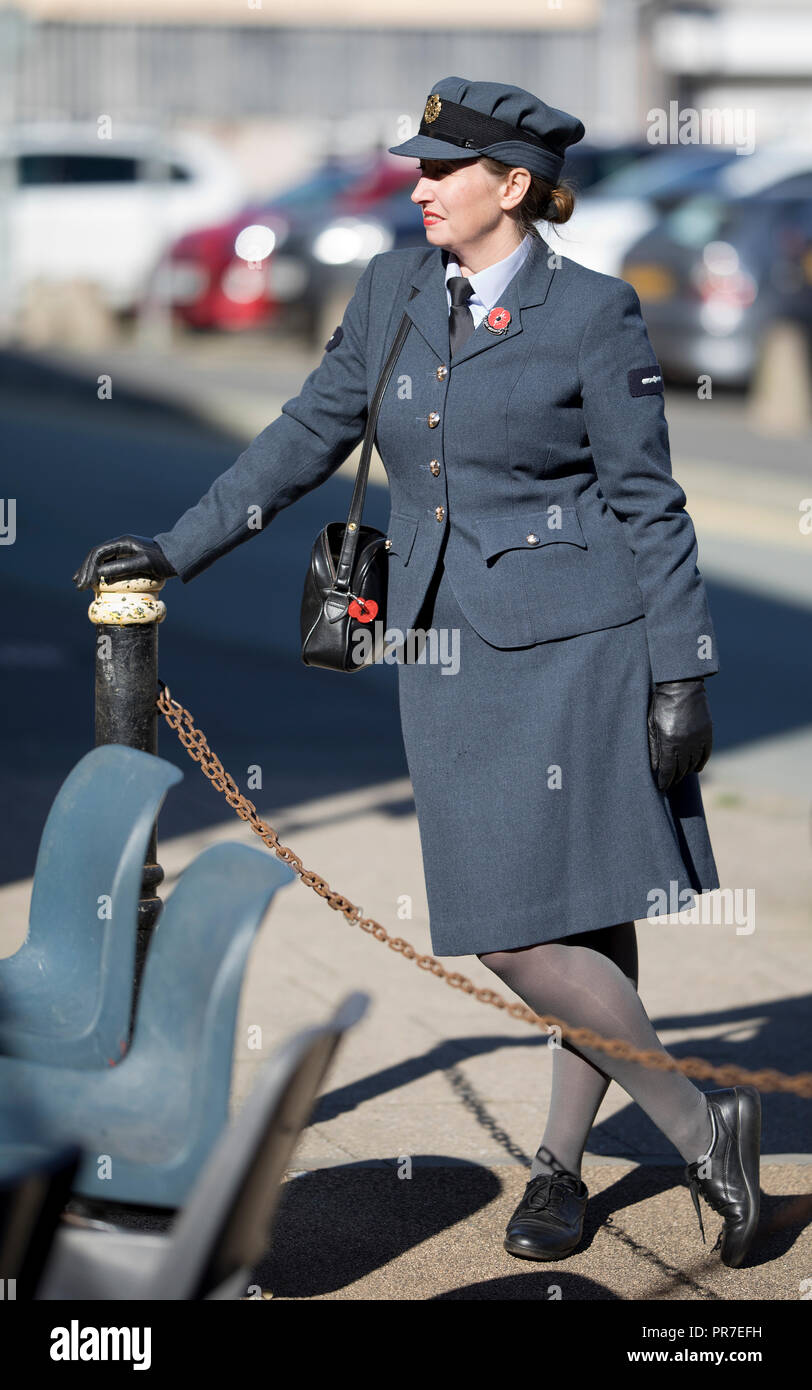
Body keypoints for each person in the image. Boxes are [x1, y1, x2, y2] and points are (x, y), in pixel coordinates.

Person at [74, 76, 761, 1269]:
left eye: (445, 168)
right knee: (519, 925)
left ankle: (582, 1159)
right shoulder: (393, 289)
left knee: (562, 919)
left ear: (513, 185)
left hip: (584, 646)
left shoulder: (593, 314)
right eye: (419, 165)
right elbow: (305, 431)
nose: (420, 184)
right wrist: (180, 547)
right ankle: (701, 1123)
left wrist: (677, 670)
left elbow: (650, 506)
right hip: (445, 650)